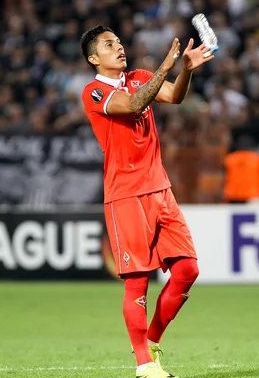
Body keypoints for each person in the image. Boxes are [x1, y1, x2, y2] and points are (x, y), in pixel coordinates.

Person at [80, 25, 214, 378]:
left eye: (120, 42)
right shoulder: (93, 92)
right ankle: (143, 365)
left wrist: (184, 68)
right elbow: (135, 103)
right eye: (110, 45)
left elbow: (174, 97)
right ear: (94, 58)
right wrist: (166, 66)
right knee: (137, 281)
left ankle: (152, 341)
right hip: (126, 194)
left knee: (188, 270)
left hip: (160, 188)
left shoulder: (139, 76)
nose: (119, 48)